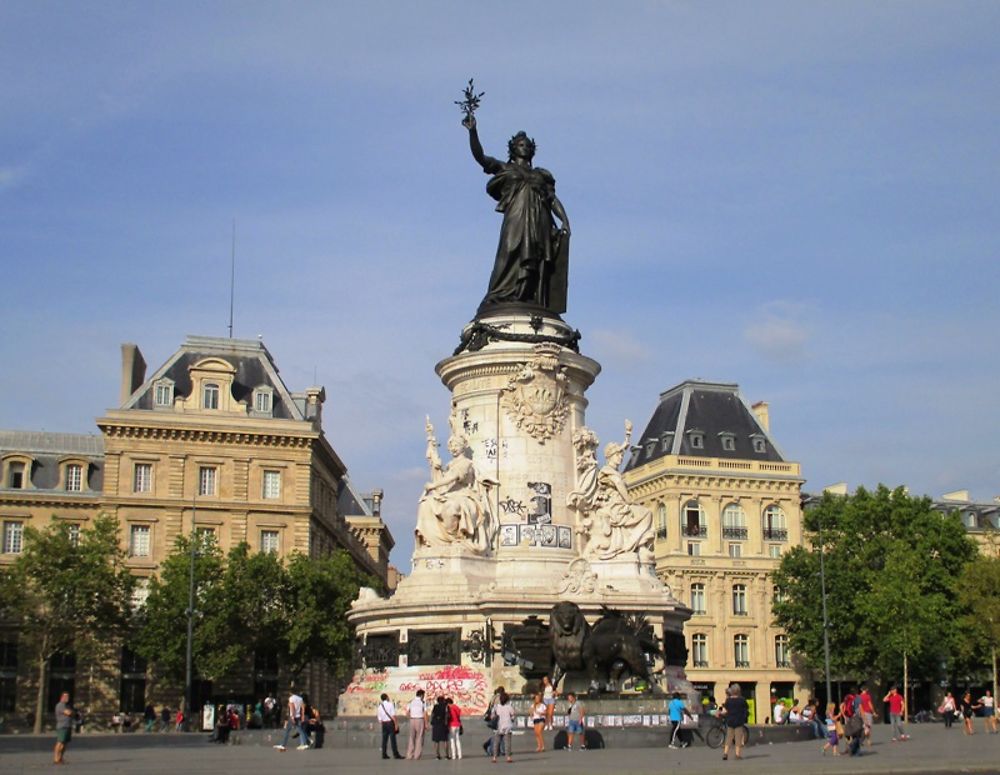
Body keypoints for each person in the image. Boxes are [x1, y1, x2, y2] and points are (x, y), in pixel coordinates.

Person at [462, 113, 571, 315]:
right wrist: (473, 132)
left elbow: (552, 200)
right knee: (510, 251)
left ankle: (529, 297)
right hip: (517, 217)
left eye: (528, 145)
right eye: (521, 145)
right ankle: (500, 294)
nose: (526, 147)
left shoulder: (541, 175)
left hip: (540, 220)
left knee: (537, 259)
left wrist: (564, 220)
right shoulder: (505, 168)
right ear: (513, 149)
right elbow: (480, 157)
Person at [719, 683, 748, 761]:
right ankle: (737, 755)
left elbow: (725, 711)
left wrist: (720, 713)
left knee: (729, 738)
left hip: (730, 721)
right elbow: (746, 710)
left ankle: (725, 754)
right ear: (739, 691)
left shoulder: (728, 700)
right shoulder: (742, 700)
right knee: (738, 738)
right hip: (739, 721)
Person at [491, 689, 516, 763]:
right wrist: (512, 719)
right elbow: (513, 715)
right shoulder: (509, 707)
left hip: (498, 726)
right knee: (507, 742)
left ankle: (494, 757)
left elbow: (492, 716)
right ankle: (508, 757)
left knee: (496, 742)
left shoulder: (496, 707)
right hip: (507, 726)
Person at [377, 693, 404, 760]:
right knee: (393, 740)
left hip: (384, 724)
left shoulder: (380, 706)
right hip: (390, 723)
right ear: (386, 697)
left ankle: (384, 754)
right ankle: (395, 754)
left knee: (384, 740)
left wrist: (383, 721)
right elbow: (393, 715)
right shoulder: (390, 704)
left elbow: (379, 719)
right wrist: (396, 724)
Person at [405, 689, 428, 759]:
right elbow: (425, 713)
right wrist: (426, 723)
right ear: (421, 695)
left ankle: (409, 754)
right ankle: (416, 755)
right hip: (420, 719)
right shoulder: (422, 702)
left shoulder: (411, 702)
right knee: (419, 737)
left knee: (411, 737)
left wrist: (411, 718)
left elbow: (407, 712)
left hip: (412, 720)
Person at [53, 691, 74, 765]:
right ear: (62, 697)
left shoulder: (66, 705)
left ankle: (61, 758)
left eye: (68, 696)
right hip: (62, 726)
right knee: (60, 742)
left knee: (65, 743)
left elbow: (71, 712)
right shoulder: (60, 705)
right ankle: (56, 758)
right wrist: (71, 712)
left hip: (68, 726)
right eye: (65, 696)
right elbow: (68, 713)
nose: (67, 698)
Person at [431, 695, 450, 759]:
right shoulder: (446, 707)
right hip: (443, 724)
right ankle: (446, 755)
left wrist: (432, 722)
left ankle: (437, 755)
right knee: (445, 740)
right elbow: (447, 715)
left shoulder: (435, 706)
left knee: (436, 741)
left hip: (436, 724)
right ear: (443, 700)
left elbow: (432, 714)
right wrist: (447, 724)